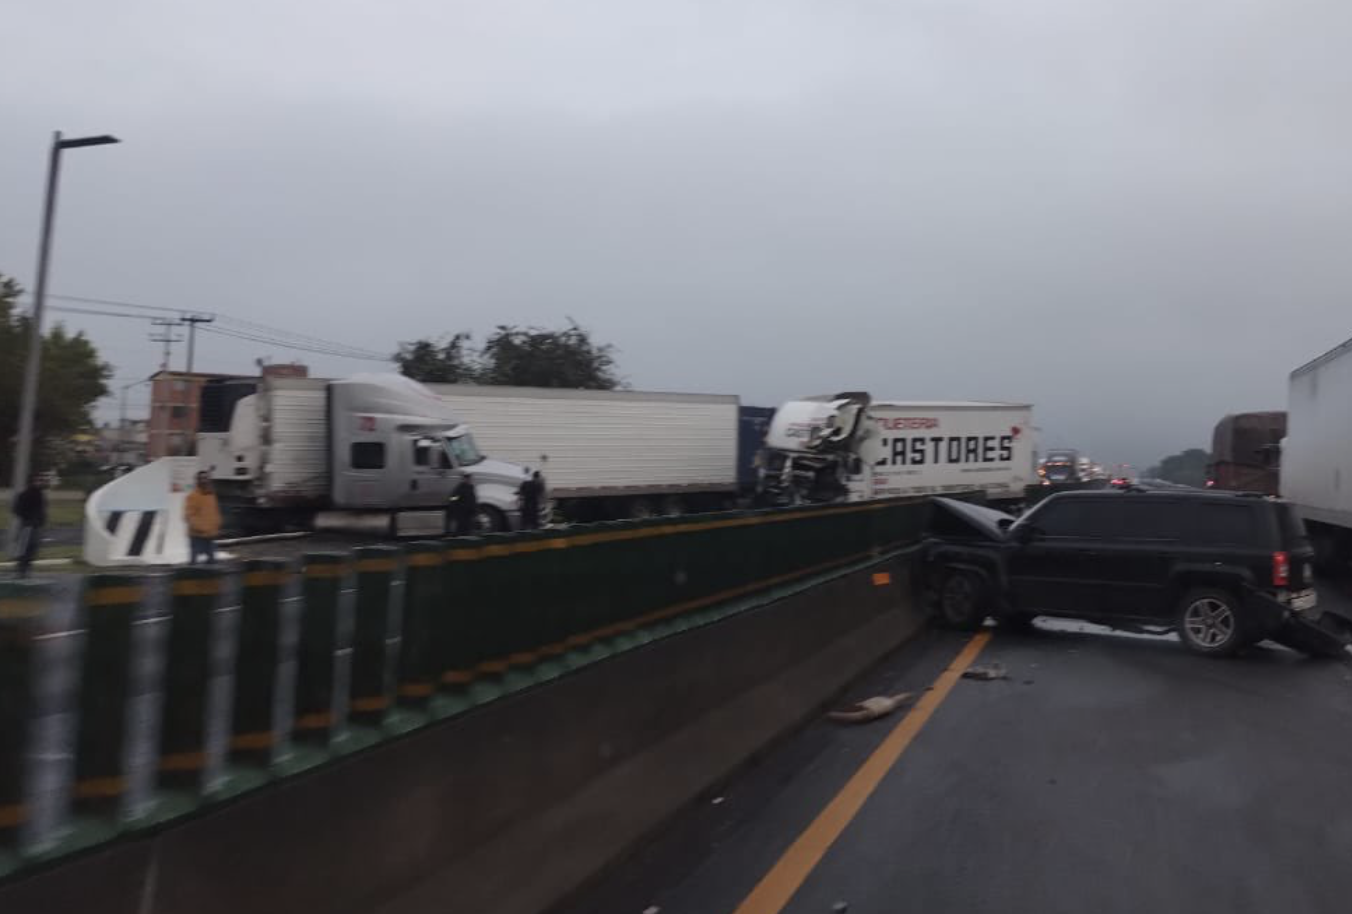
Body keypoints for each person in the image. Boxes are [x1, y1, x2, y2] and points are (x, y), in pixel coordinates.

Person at [12, 473, 48, 579]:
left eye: (40, 481)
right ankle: (21, 569)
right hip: (27, 525)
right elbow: (17, 509)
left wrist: (42, 520)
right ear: (32, 482)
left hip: (37, 526)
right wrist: (27, 518)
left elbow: (42, 509)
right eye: (37, 480)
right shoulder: (25, 494)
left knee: (33, 548)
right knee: (24, 547)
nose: (39, 482)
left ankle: (27, 567)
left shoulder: (41, 494)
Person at [184, 471, 222, 564]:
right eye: (201, 478)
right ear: (197, 481)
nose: (204, 481)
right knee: (194, 563)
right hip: (197, 535)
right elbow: (189, 515)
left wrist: (217, 524)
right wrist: (200, 528)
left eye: (206, 478)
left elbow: (215, 511)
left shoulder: (211, 495)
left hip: (210, 535)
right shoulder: (193, 496)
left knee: (212, 562)